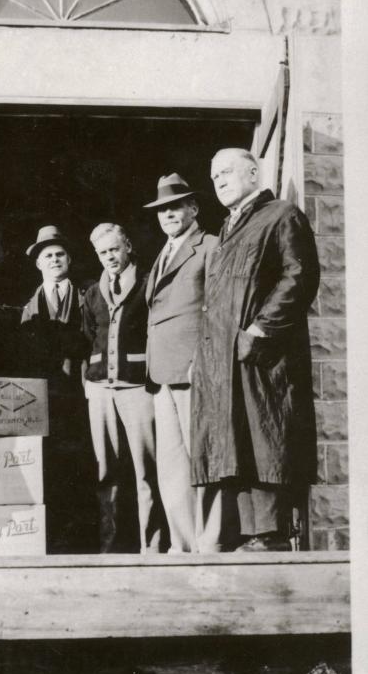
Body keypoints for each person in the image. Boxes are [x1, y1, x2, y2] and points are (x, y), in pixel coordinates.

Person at [190, 148, 320, 550]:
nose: (219, 181)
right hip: (227, 357)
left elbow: (300, 276)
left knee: (267, 439)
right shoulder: (230, 226)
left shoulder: (281, 215)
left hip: (262, 356)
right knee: (240, 442)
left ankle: (271, 534)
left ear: (252, 172)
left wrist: (260, 331)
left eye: (227, 172)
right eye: (214, 177)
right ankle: (252, 535)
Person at [144, 174, 237, 553]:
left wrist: (205, 359)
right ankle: (183, 547)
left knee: (204, 459)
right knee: (171, 467)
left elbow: (220, 308)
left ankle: (209, 543)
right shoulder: (162, 252)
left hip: (194, 367)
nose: (167, 214)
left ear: (194, 209)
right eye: (162, 209)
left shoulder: (211, 245)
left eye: (175, 206)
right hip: (162, 372)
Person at [82, 222, 167, 553]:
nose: (109, 258)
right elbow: (89, 336)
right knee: (106, 470)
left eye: (114, 249)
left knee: (147, 469)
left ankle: (153, 545)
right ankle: (111, 548)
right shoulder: (92, 293)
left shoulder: (148, 283)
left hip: (138, 388)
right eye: (102, 253)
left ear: (128, 247)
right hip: (101, 390)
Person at [19, 225, 94, 552]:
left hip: (81, 394)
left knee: (83, 464)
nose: (54, 260)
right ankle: (53, 538)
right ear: (38, 264)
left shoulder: (89, 294)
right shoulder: (29, 307)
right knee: (49, 467)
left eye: (59, 254)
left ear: (70, 258)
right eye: (47, 256)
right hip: (46, 400)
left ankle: (82, 538)